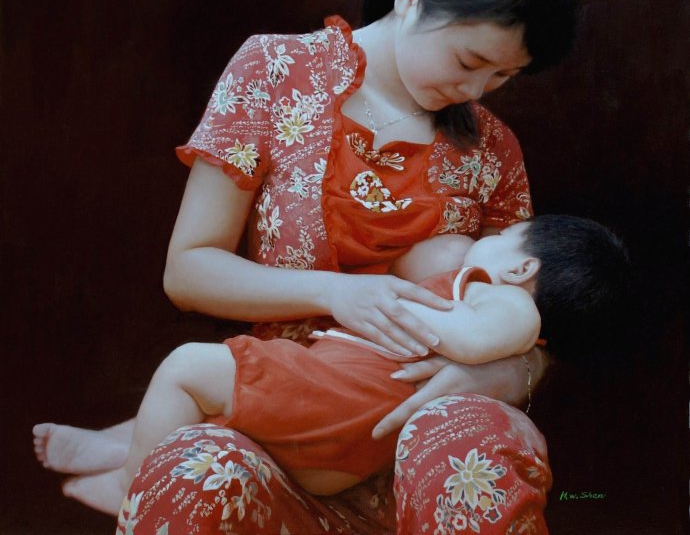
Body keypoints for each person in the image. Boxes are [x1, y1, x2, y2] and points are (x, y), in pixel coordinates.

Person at [34, 0, 578, 533]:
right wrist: (336, 293)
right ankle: (137, 454)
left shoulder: (493, 150)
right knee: (195, 471)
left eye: (503, 77)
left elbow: (535, 307)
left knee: (477, 437)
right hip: (280, 420)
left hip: (416, 439)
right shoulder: (275, 71)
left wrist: (511, 373)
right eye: (470, 61)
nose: (476, 90)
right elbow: (189, 270)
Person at [35, 215, 629, 515]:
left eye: (504, 234)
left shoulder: (506, 305)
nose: (489, 237)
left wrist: (411, 313)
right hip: (334, 452)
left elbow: (475, 342)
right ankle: (119, 446)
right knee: (220, 406)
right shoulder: (496, 302)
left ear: (522, 269)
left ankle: (132, 483)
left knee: (187, 366)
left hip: (331, 400)